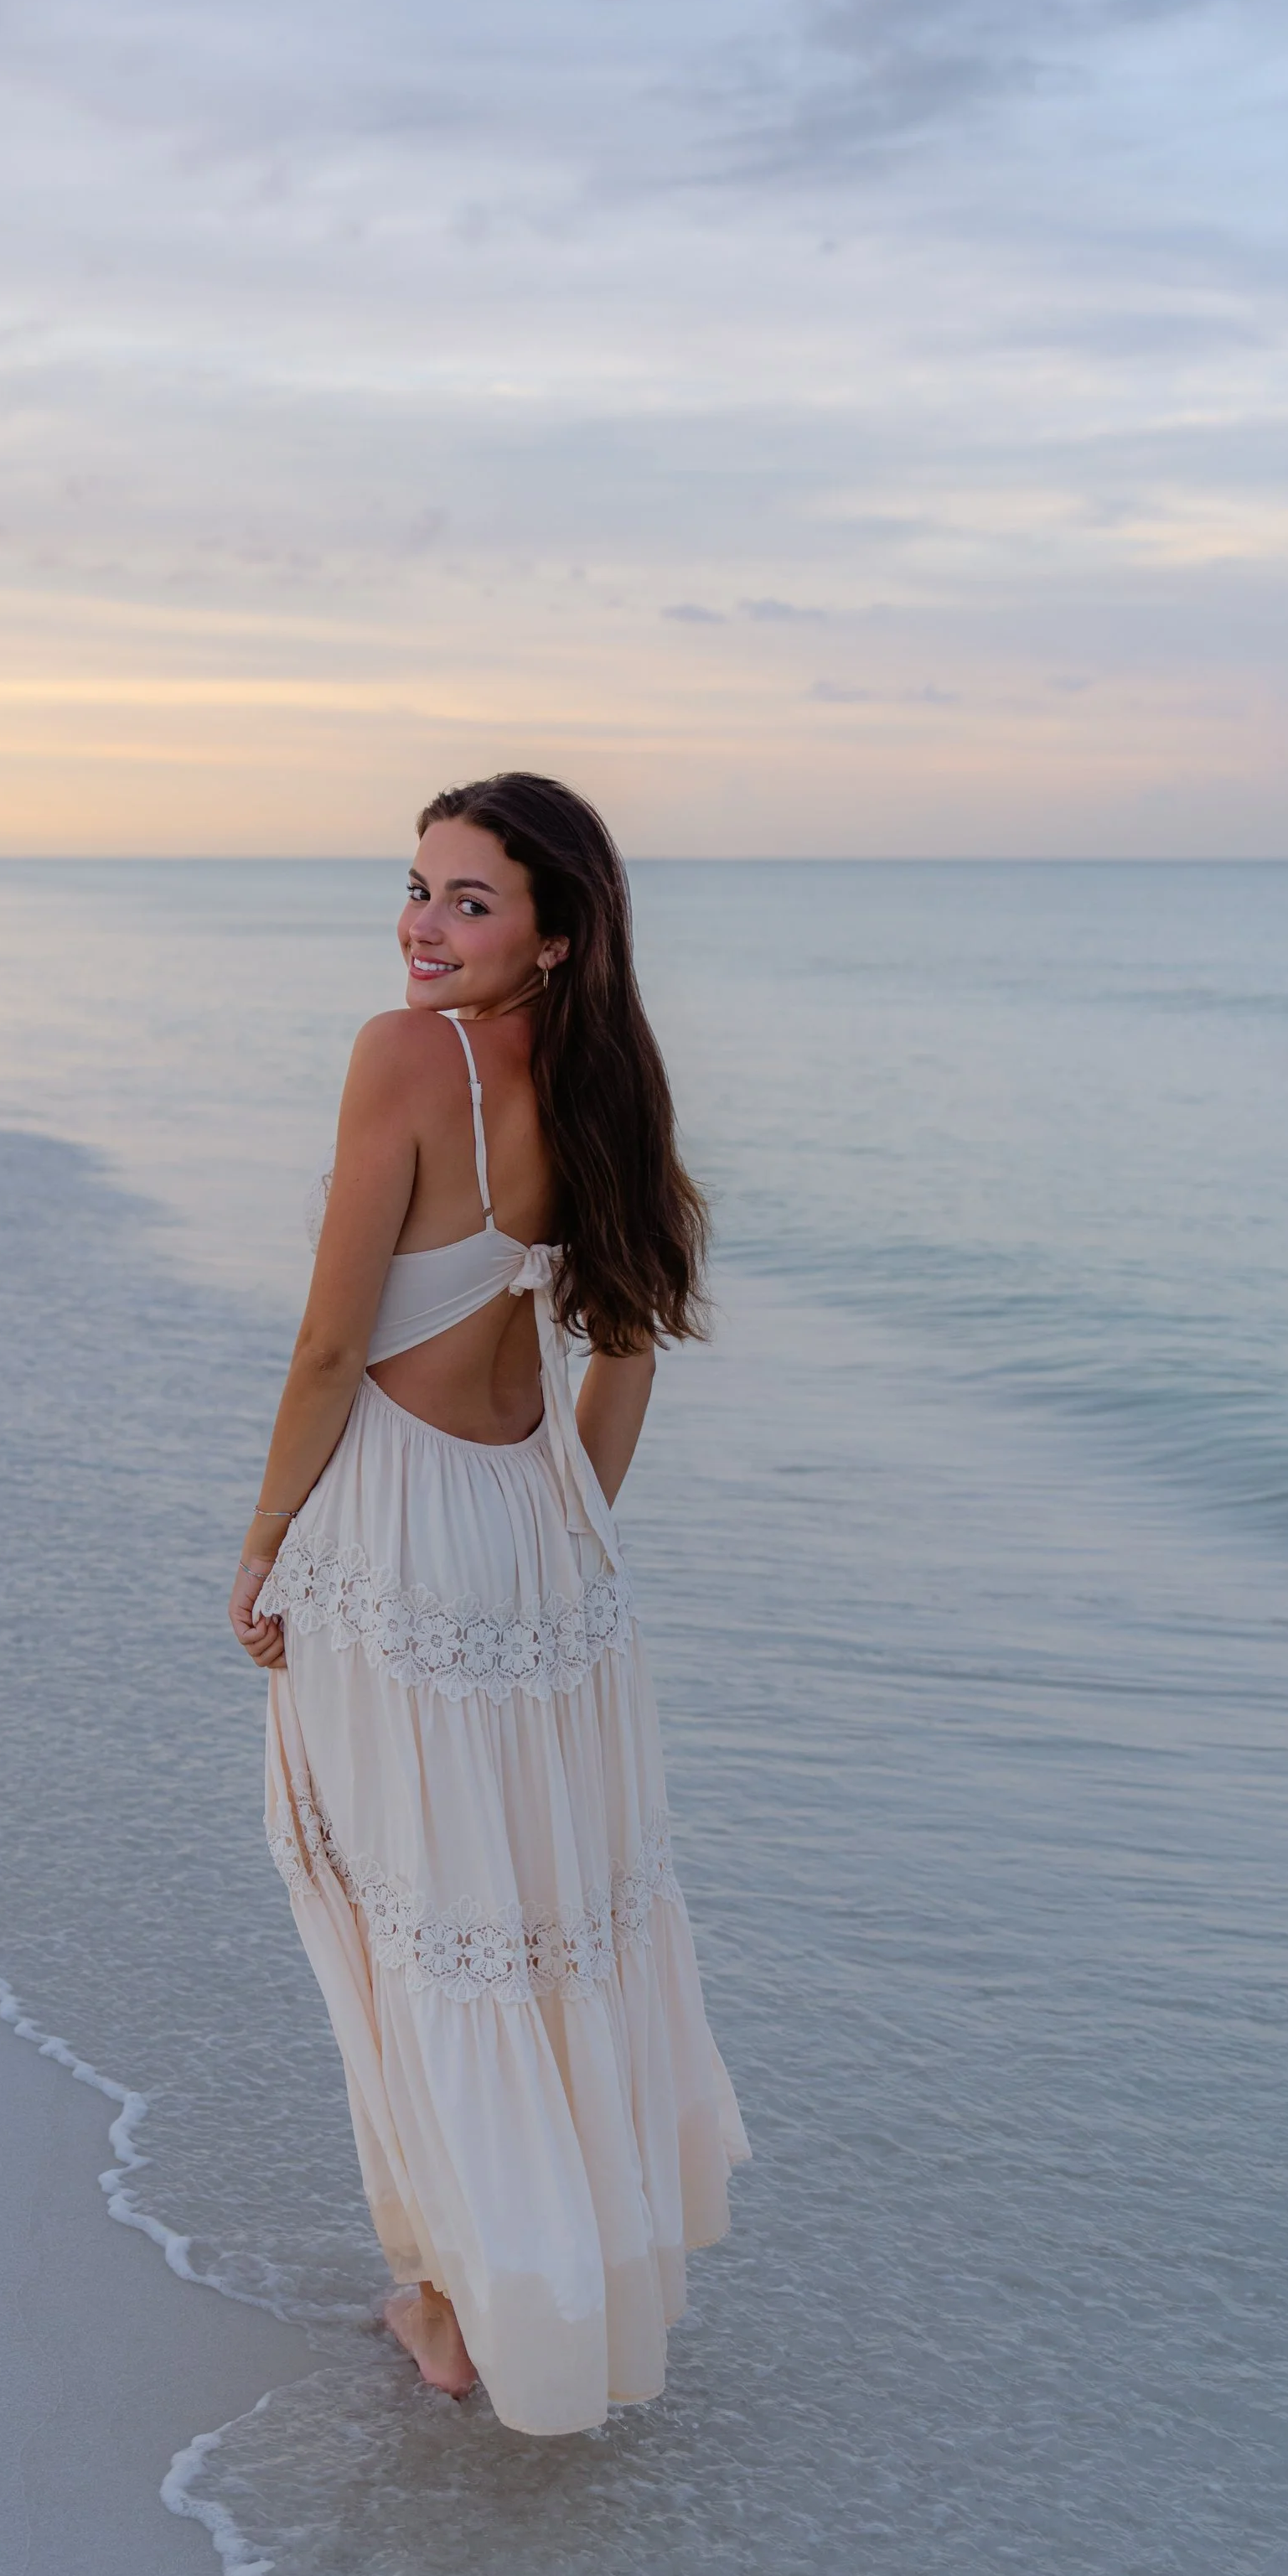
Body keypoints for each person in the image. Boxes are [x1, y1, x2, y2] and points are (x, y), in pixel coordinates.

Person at [229, 772, 750, 2436]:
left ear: (550, 932)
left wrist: (258, 1543)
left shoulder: (406, 1060)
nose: (420, 924)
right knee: (530, 1931)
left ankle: (459, 2306)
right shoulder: (603, 1084)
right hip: (538, 1542)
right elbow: (623, 1343)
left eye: (467, 899)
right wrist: (571, 1525)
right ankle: (508, 2281)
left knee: (405, 1921)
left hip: (399, 1527)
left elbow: (329, 1346)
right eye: (414, 887)